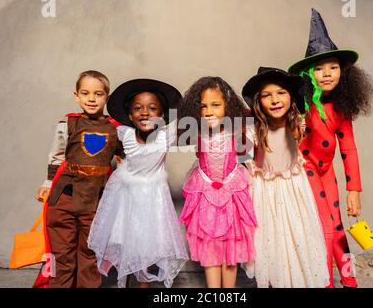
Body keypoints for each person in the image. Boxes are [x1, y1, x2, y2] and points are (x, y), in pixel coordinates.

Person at [288, 9, 373, 287]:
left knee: (337, 227)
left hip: (327, 172)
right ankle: (325, 282)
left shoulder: (342, 106)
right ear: (308, 73)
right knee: (323, 226)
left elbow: (348, 148)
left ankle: (349, 281)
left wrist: (354, 190)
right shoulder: (300, 103)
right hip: (304, 170)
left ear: (344, 72)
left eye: (333, 67)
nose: (326, 74)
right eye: (319, 68)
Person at [88, 78, 188, 288]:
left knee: (149, 244)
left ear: (162, 116)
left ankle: (145, 285)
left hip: (153, 199)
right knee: (128, 242)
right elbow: (97, 130)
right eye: (138, 108)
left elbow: (192, 120)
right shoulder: (124, 134)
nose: (145, 112)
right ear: (130, 115)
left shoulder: (165, 135)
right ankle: (128, 280)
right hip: (126, 199)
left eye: (152, 108)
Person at [35, 70, 124, 288]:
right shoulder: (68, 123)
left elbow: (125, 159)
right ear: (76, 96)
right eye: (85, 93)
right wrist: (47, 184)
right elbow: (56, 156)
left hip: (96, 201)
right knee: (61, 253)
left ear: (107, 98)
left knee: (89, 253)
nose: (91, 99)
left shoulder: (116, 129)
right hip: (64, 197)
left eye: (98, 94)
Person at [241, 67, 329, 288]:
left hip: (293, 191)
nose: (275, 100)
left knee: (298, 239)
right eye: (267, 95)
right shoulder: (252, 130)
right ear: (258, 102)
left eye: (281, 93)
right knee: (270, 245)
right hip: (265, 194)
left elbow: (319, 95)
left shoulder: (298, 124)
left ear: (291, 96)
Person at [178, 76, 257, 288]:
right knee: (210, 245)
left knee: (230, 245)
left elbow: (258, 130)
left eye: (215, 105)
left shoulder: (237, 131)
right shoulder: (197, 133)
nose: (209, 111)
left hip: (231, 192)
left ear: (227, 106)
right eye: (203, 106)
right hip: (205, 193)